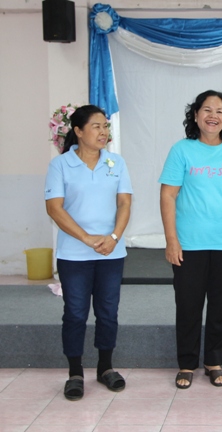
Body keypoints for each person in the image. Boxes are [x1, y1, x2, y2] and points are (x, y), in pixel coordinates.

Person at [159, 90, 222, 390]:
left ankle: (214, 362)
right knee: (188, 305)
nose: (213, 115)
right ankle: (187, 363)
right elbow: (168, 195)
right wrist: (171, 240)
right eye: (207, 109)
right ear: (196, 115)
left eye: (219, 111)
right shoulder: (182, 150)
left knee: (221, 306)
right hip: (189, 243)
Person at [45, 105, 133, 401]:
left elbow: (124, 203)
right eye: (96, 126)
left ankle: (105, 367)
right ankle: (75, 373)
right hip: (74, 255)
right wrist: (86, 238)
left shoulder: (116, 162)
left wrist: (114, 237)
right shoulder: (60, 165)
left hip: (111, 252)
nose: (103, 132)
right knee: (75, 313)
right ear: (78, 131)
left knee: (108, 312)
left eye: (105, 126)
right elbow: (54, 208)